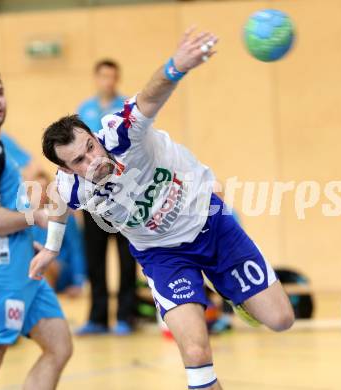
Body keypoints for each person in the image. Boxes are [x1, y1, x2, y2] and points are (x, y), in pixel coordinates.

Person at [30, 28, 294, 390]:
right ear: (66, 169)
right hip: (163, 256)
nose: (92, 160)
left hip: (211, 224)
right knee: (196, 353)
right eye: (79, 160)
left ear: (94, 135)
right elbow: (59, 209)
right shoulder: (68, 185)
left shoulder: (122, 135)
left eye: (90, 147)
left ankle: (237, 298)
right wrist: (50, 248)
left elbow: (150, 98)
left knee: (281, 320)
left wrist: (177, 66)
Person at [0, 72, 72, 388]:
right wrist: (35, 218)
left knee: (59, 346)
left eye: (0, 92)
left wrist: (28, 244)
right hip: (2, 272)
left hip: (24, 266)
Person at [77, 59, 137, 335]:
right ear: (96, 78)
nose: (107, 81)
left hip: (124, 194)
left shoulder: (126, 108)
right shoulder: (84, 109)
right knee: (95, 258)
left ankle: (126, 315)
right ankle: (98, 317)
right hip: (93, 197)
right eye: (103, 76)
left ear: (117, 78)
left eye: (112, 76)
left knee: (127, 258)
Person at [31, 171, 86, 297]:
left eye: (45, 188)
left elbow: (76, 250)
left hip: (58, 268)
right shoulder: (23, 218)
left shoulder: (63, 216)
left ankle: (43, 297)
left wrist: (78, 283)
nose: (41, 193)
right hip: (33, 265)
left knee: (43, 263)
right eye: (37, 189)